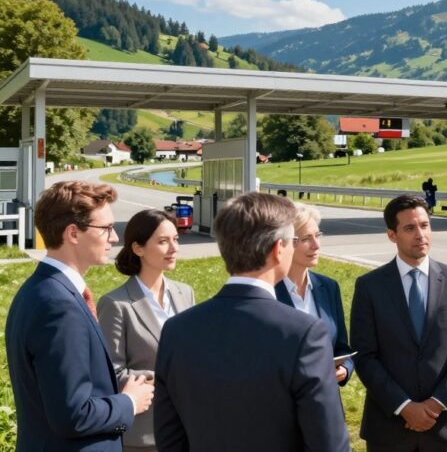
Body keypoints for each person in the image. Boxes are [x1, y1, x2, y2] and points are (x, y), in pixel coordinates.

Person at [153, 192, 349, 452]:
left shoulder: (177, 329)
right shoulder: (303, 333)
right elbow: (328, 443)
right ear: (278, 249)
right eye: (293, 240)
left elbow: (169, 437)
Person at [5, 181, 153, 451]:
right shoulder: (60, 306)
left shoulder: (40, 289)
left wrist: (114, 383)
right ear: (73, 233)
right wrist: (130, 402)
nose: (115, 238)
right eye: (106, 228)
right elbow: (73, 415)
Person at [350, 194, 447, 452]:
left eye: (424, 225)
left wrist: (436, 404)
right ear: (391, 235)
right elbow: (365, 356)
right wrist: (404, 407)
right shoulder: (369, 286)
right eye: (410, 228)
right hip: (388, 426)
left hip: (443, 426)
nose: (420, 234)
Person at [98, 209, 196, 452]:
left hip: (188, 428)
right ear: (138, 248)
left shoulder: (186, 293)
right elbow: (111, 374)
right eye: (163, 241)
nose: (174, 248)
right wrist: (167, 377)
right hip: (143, 436)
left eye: (176, 239)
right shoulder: (115, 304)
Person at [274, 202, 355, 385]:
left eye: (317, 236)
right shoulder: (268, 291)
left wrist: (345, 369)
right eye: (306, 239)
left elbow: (342, 348)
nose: (316, 245)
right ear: (285, 243)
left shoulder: (329, 288)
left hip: (324, 402)